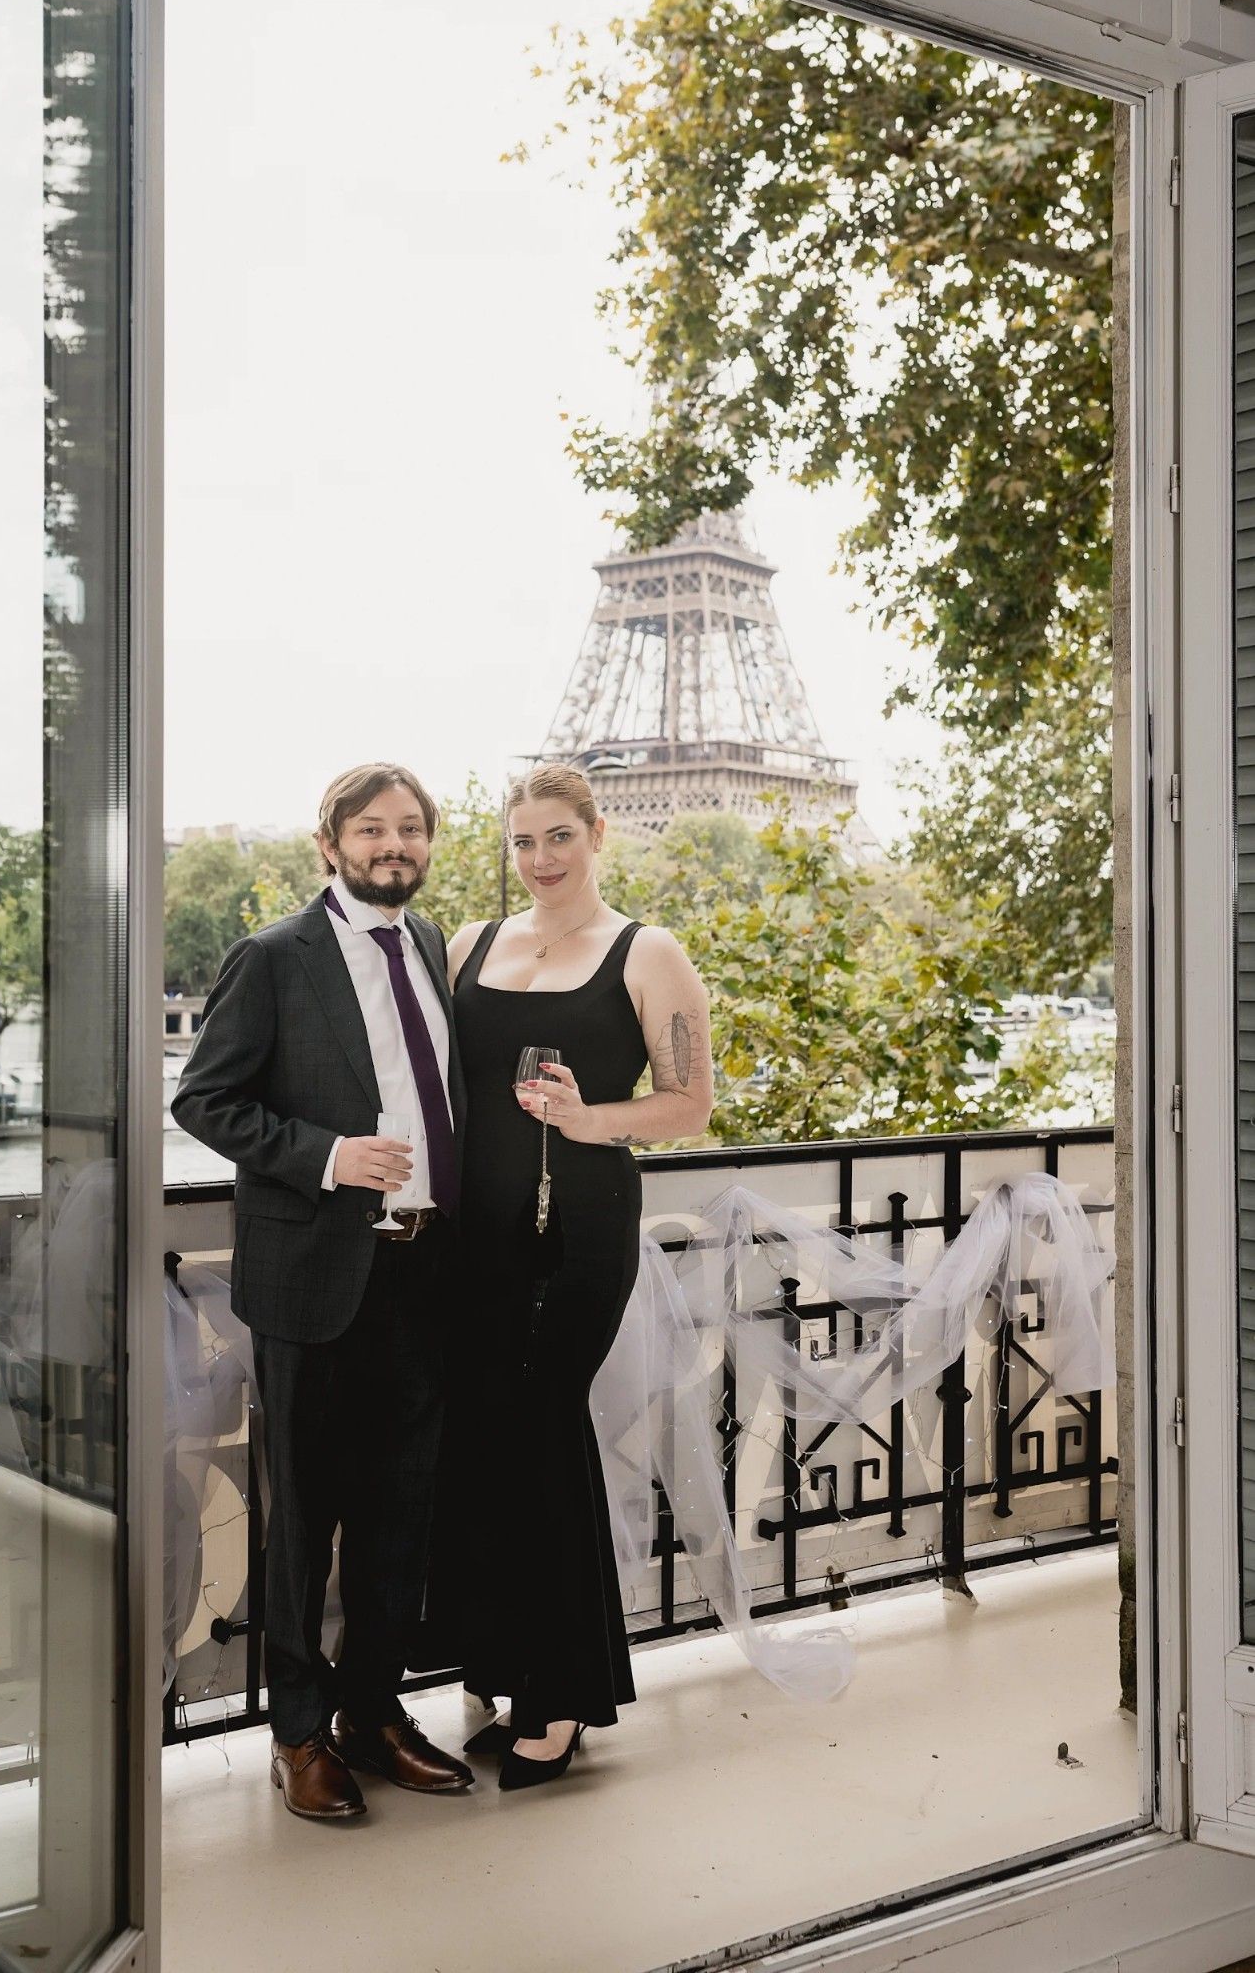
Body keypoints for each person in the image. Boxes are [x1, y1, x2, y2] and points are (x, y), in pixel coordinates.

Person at [171, 763, 474, 1822]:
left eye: (409, 829)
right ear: (330, 842)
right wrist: (326, 1152)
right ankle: (296, 1732)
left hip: (423, 1272)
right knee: (303, 1520)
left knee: (402, 1514)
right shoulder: (272, 956)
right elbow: (204, 1098)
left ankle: (372, 1712)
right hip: (314, 1276)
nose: (393, 844)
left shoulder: (429, 941)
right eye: (371, 828)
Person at [446, 762, 714, 1791]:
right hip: (473, 1238)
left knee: (545, 1430)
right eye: (522, 841)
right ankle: (517, 1673)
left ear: (598, 832)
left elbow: (689, 1103)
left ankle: (560, 1695)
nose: (540, 860)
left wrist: (586, 1118)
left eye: (558, 836)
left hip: (579, 1231)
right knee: (492, 1448)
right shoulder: (469, 945)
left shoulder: (648, 953)